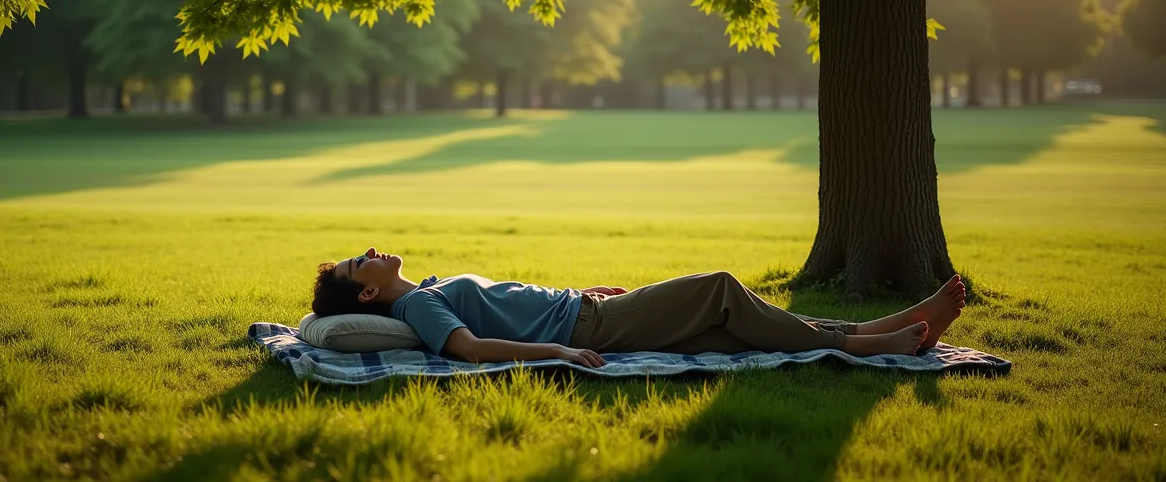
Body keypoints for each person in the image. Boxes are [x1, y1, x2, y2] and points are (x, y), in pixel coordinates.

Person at [311, 247, 966, 367]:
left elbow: (510, 306)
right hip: (592, 329)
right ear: (367, 293)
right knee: (721, 290)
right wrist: (561, 348)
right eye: (355, 262)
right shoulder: (422, 309)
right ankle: (863, 342)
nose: (368, 249)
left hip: (589, 311)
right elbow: (474, 351)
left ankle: (892, 331)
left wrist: (583, 290)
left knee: (741, 335)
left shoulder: (425, 289)